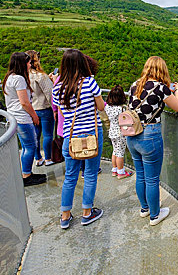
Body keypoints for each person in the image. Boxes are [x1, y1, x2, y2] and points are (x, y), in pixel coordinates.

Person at [127, 56, 178, 226]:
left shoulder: (134, 85)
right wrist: (176, 91)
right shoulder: (161, 88)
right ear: (162, 70)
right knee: (152, 179)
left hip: (132, 135)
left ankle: (145, 209)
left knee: (141, 175)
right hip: (149, 134)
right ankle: (155, 215)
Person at [53, 49, 105, 229]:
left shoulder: (57, 87)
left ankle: (65, 216)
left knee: (70, 176)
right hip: (92, 134)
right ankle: (86, 213)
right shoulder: (90, 83)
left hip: (70, 136)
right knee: (90, 174)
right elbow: (100, 106)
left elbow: (61, 113)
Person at [2, 52, 46, 186]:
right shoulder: (19, 79)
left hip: (14, 117)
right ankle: (26, 175)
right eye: (27, 62)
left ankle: (26, 173)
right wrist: (34, 116)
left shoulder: (9, 77)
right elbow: (25, 103)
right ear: (21, 64)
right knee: (30, 146)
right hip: (22, 118)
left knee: (26, 146)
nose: (29, 64)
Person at [26, 50, 55, 166]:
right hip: (44, 108)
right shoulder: (40, 76)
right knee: (48, 134)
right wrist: (55, 109)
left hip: (33, 109)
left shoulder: (25, 76)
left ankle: (38, 158)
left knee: (36, 135)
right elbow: (50, 93)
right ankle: (48, 158)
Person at [105, 85, 133, 179]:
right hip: (120, 133)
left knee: (115, 151)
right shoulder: (121, 109)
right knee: (120, 153)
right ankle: (121, 172)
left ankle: (114, 170)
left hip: (112, 131)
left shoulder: (108, 107)